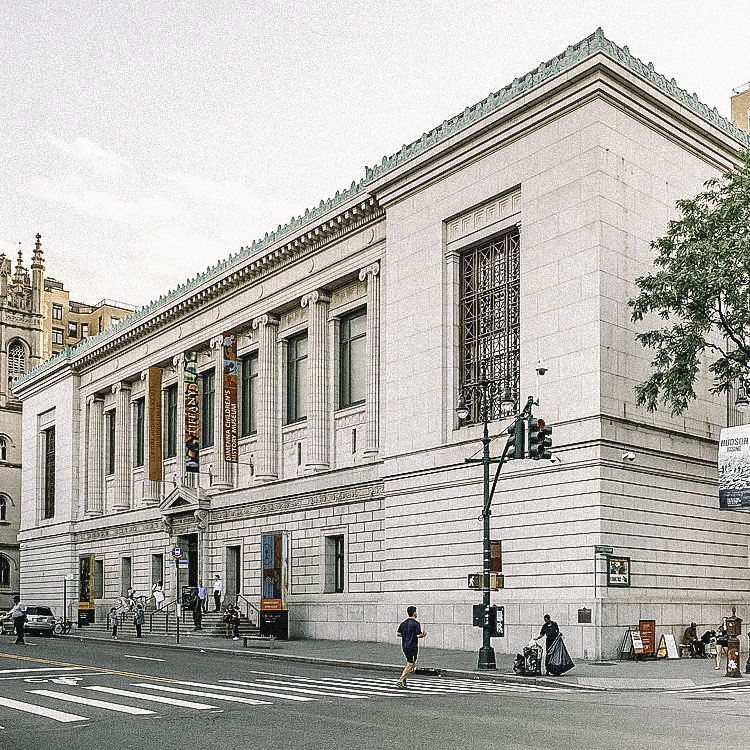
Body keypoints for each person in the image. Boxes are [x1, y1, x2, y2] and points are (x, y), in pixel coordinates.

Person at [396, 605, 427, 689]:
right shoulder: (416, 624)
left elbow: (398, 634)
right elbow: (418, 635)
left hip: (404, 645)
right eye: (416, 612)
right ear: (414, 613)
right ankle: (401, 680)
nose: (416, 614)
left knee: (409, 662)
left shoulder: (403, 623)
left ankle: (404, 679)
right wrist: (424, 634)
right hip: (412, 646)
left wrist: (406, 635)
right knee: (411, 664)